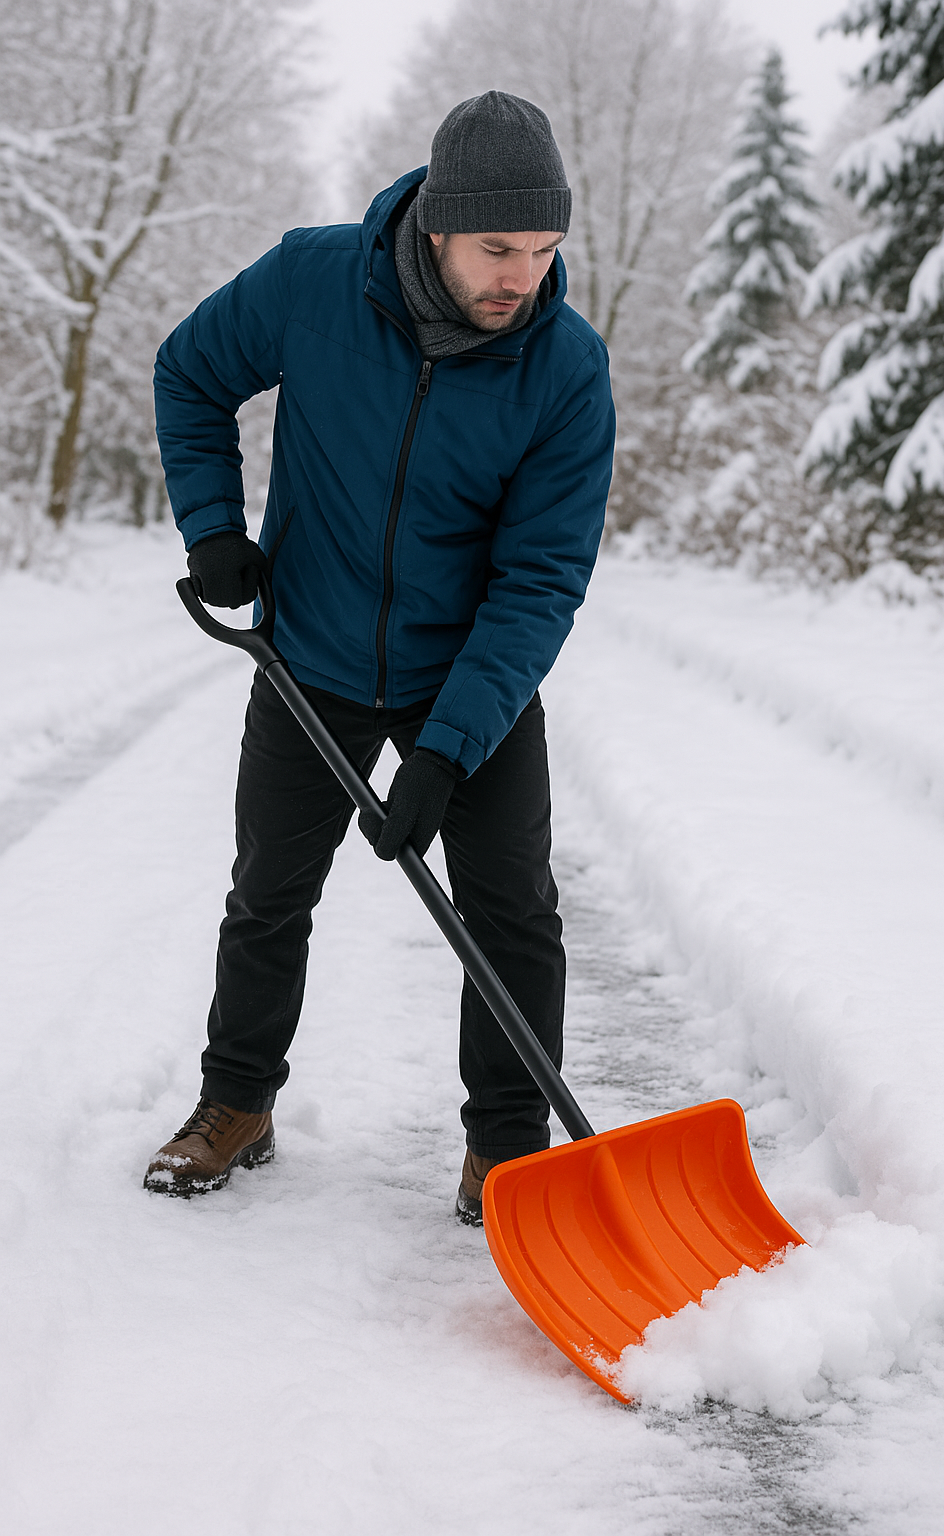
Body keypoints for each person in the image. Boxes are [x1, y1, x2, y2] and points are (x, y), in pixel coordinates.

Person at [146, 91, 615, 1222]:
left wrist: (448, 750)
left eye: (544, 249)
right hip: (310, 651)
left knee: (511, 909)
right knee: (269, 891)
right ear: (436, 223)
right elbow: (189, 372)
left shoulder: (563, 367)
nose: (522, 276)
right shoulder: (314, 282)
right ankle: (237, 1101)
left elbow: (540, 577)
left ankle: (507, 1150)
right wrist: (212, 526)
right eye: (497, 248)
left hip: (470, 673)